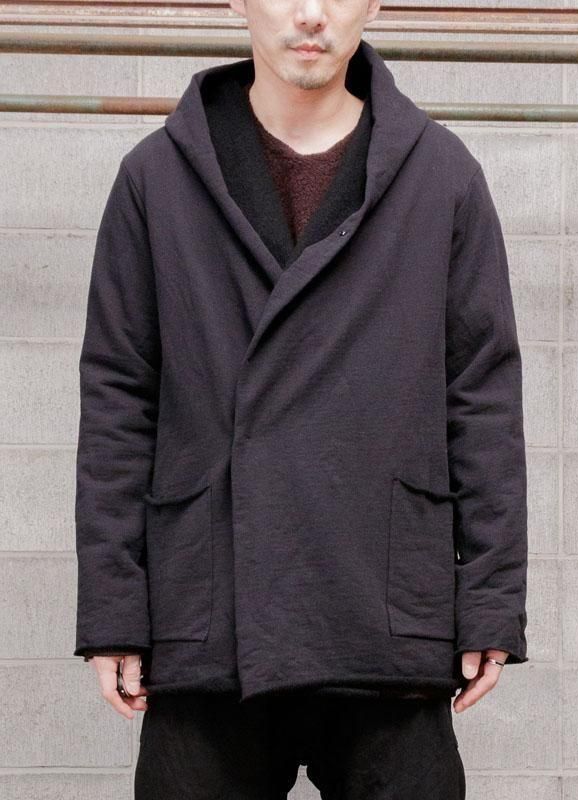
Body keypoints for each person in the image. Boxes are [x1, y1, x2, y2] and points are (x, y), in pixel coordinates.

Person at [73, 0, 529, 797]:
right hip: (213, 608)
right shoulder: (157, 177)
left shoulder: (441, 175)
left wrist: (490, 599)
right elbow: (119, 396)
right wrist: (114, 607)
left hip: (382, 603)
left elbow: (482, 396)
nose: (312, 14)